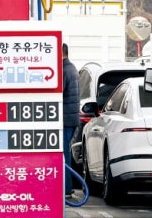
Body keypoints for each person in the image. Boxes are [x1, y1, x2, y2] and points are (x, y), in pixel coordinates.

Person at [61, 43, 80, 197]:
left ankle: (66, 189)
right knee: (65, 154)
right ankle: (67, 187)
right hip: (71, 118)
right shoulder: (71, 68)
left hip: (65, 119)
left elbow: (57, 92)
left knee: (64, 155)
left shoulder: (64, 70)